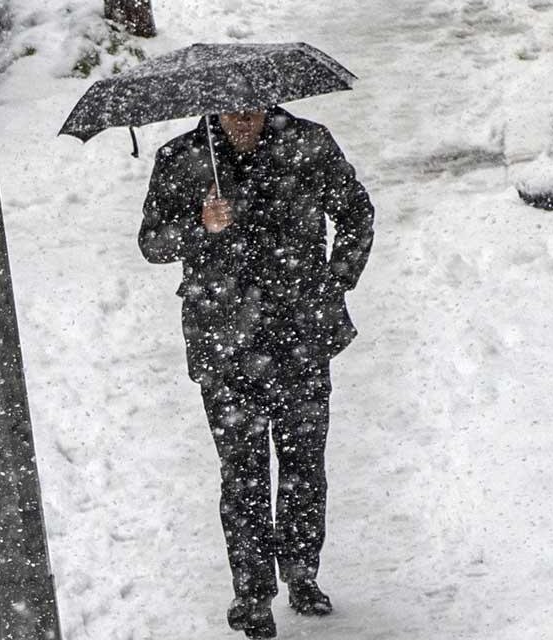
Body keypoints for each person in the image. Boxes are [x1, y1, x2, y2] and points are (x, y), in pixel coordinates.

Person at [139, 107, 373, 639]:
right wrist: (200, 225)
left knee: (303, 464)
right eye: (232, 111)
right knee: (241, 472)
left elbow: (356, 212)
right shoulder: (181, 158)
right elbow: (152, 243)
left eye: (253, 110)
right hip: (223, 341)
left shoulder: (307, 144)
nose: (243, 120)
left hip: (301, 333)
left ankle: (301, 572)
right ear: (213, 109)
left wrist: (336, 281)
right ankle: (252, 594)